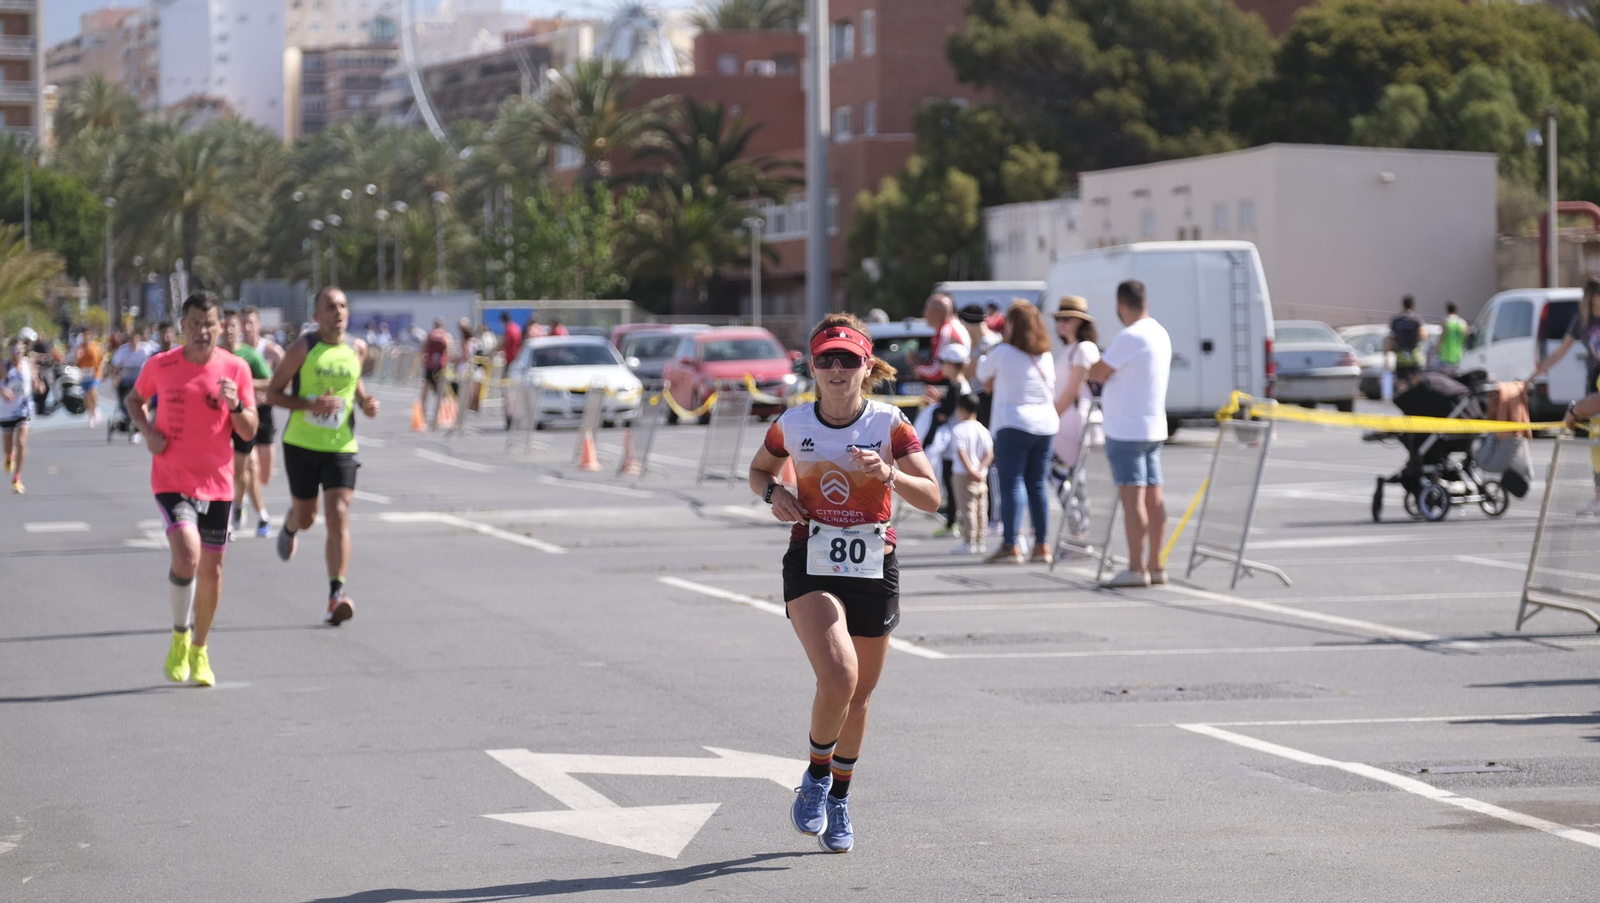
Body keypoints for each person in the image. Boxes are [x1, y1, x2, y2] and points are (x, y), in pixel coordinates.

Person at [747, 314, 940, 854]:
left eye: (847, 360)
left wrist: (889, 474)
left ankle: (839, 798)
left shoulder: (890, 424)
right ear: (812, 366)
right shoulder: (793, 423)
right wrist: (773, 497)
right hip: (810, 558)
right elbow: (759, 471)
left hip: (874, 563)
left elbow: (932, 496)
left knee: (860, 696)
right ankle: (814, 778)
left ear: (865, 366)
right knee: (839, 676)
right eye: (826, 359)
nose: (836, 369)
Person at [126, 291, 259, 687]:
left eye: (210, 323)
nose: (203, 331)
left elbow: (249, 431)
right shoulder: (162, 365)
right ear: (182, 327)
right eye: (196, 323)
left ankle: (200, 650)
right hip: (172, 478)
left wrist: (236, 407)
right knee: (187, 552)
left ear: (221, 327)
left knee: (212, 572)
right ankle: (179, 633)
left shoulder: (235, 369)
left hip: (217, 484)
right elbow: (136, 400)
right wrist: (148, 432)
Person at [268, 287, 380, 626]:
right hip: (301, 444)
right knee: (306, 517)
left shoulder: (356, 349)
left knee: (338, 513)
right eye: (331, 306)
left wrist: (365, 403)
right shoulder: (302, 348)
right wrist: (308, 405)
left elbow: (355, 386)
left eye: (343, 305)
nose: (339, 312)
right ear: (316, 315)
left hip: (341, 446)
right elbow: (273, 394)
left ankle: (336, 595)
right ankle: (290, 525)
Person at [1089, 280, 1173, 588]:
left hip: (1126, 428)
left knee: (1133, 499)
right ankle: (1155, 564)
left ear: (1122, 306)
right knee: (1154, 498)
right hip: (1152, 425)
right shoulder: (1159, 332)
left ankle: (1136, 568)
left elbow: (1098, 372)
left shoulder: (1130, 335)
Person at [978, 300, 1059, 564]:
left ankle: (1011, 543)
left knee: (1011, 483)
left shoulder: (1003, 352)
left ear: (1012, 325)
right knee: (1036, 484)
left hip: (1013, 422)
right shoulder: (1045, 354)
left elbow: (982, 372)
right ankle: (1042, 545)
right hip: (1045, 424)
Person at [220, 309, 274, 539]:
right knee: (228, 469)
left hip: (246, 417)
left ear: (239, 329)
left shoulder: (250, 356)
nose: (229, 331)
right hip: (220, 421)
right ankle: (241, 515)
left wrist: (247, 382)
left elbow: (270, 381)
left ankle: (240, 505)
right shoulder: (214, 354)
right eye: (226, 326)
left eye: (234, 326)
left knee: (246, 471)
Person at [920, 343, 972, 541]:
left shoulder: (956, 386)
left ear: (952, 364)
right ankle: (954, 522)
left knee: (954, 485)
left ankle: (954, 523)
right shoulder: (961, 384)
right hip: (957, 443)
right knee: (953, 485)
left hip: (954, 445)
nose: (941, 366)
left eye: (943, 362)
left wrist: (937, 406)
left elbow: (946, 414)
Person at [1529, 277, 1600, 398]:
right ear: (1592, 297)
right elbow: (1558, 353)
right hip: (1595, 381)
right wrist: (1531, 378)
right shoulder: (1581, 322)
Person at [1052, 297, 1101, 468]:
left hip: (1075, 423)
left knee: (1073, 479)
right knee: (1067, 479)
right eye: (1058, 319)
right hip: (1065, 423)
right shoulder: (1070, 349)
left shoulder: (1084, 348)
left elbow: (1073, 390)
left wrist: (1051, 416)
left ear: (1081, 321)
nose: (1061, 323)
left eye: (1067, 319)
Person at [242, 307, 283, 494]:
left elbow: (289, 379)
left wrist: (272, 392)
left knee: (265, 476)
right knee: (249, 464)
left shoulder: (271, 351)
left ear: (258, 325)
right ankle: (241, 504)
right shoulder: (234, 351)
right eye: (243, 323)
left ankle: (250, 496)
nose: (247, 327)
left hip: (264, 412)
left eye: (250, 322)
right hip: (241, 412)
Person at [950, 393, 994, 555]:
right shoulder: (983, 429)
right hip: (981, 475)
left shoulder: (958, 429)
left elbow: (961, 453)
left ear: (960, 409)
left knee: (967, 509)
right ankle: (980, 540)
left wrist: (971, 470)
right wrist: (980, 470)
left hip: (963, 474)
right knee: (981, 508)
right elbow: (989, 454)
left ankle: (969, 541)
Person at [913, 293, 970, 386]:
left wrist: (918, 369)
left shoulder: (946, 331)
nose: (924, 314)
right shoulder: (953, 326)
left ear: (935, 313)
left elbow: (937, 370)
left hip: (952, 386)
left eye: (927, 310)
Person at [2, 338, 33, 493]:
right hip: (6, 412)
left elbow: (33, 379)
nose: (17, 354)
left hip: (23, 409)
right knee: (8, 449)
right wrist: (2, 391)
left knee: (21, 441)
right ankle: (9, 457)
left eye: (20, 351)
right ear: (10, 352)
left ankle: (17, 477)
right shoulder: (4, 366)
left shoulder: (28, 364)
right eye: (14, 351)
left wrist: (39, 384)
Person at [1386, 295, 1426, 387]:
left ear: (1403, 305)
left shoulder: (1396, 320)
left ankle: (1403, 399)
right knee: (1415, 378)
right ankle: (1414, 397)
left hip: (1400, 356)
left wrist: (1386, 354)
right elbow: (1423, 336)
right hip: (1414, 356)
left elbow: (1391, 338)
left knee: (1401, 380)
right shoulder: (1417, 320)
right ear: (1413, 305)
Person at [421, 318, 451, 428]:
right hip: (440, 367)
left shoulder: (430, 335)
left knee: (425, 392)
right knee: (441, 392)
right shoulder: (445, 336)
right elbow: (449, 350)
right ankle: (439, 416)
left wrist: (423, 361)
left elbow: (423, 348)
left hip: (429, 366)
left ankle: (424, 414)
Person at [75, 327, 105, 427]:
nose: (87, 336)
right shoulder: (80, 347)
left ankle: (95, 409)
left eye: (89, 334)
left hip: (94, 373)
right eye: (85, 334)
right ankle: (91, 414)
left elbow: (102, 358)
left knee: (93, 390)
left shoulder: (96, 346)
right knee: (86, 396)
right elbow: (75, 362)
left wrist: (102, 366)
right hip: (84, 374)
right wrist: (77, 356)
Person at [1438, 301, 1468, 371]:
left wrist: (1438, 348)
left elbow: (1442, 337)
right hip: (1458, 355)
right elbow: (1465, 337)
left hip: (1446, 355)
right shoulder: (1462, 323)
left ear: (1447, 310)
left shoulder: (1445, 321)